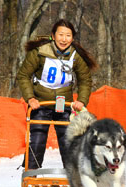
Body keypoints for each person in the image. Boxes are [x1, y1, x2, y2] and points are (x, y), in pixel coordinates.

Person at [16, 19, 98, 170]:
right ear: (53, 35)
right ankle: (30, 177)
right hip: (40, 103)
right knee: (37, 140)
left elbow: (85, 79)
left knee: (68, 141)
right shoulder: (40, 52)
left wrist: (81, 100)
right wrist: (30, 98)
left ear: (72, 38)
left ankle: (72, 175)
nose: (64, 39)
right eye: (61, 34)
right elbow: (23, 75)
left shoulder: (75, 56)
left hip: (64, 103)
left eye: (68, 35)